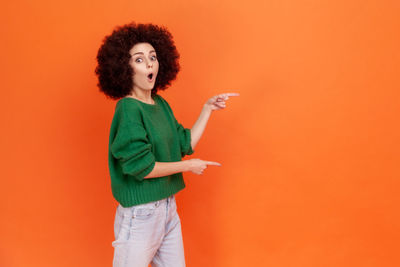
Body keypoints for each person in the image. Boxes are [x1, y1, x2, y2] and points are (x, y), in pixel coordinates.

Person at [95, 22, 239, 267]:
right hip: (141, 215)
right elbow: (143, 168)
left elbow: (184, 143)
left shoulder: (160, 104)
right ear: (124, 68)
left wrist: (207, 109)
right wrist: (188, 167)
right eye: (139, 59)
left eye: (153, 57)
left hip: (168, 211)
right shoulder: (128, 109)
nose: (149, 63)